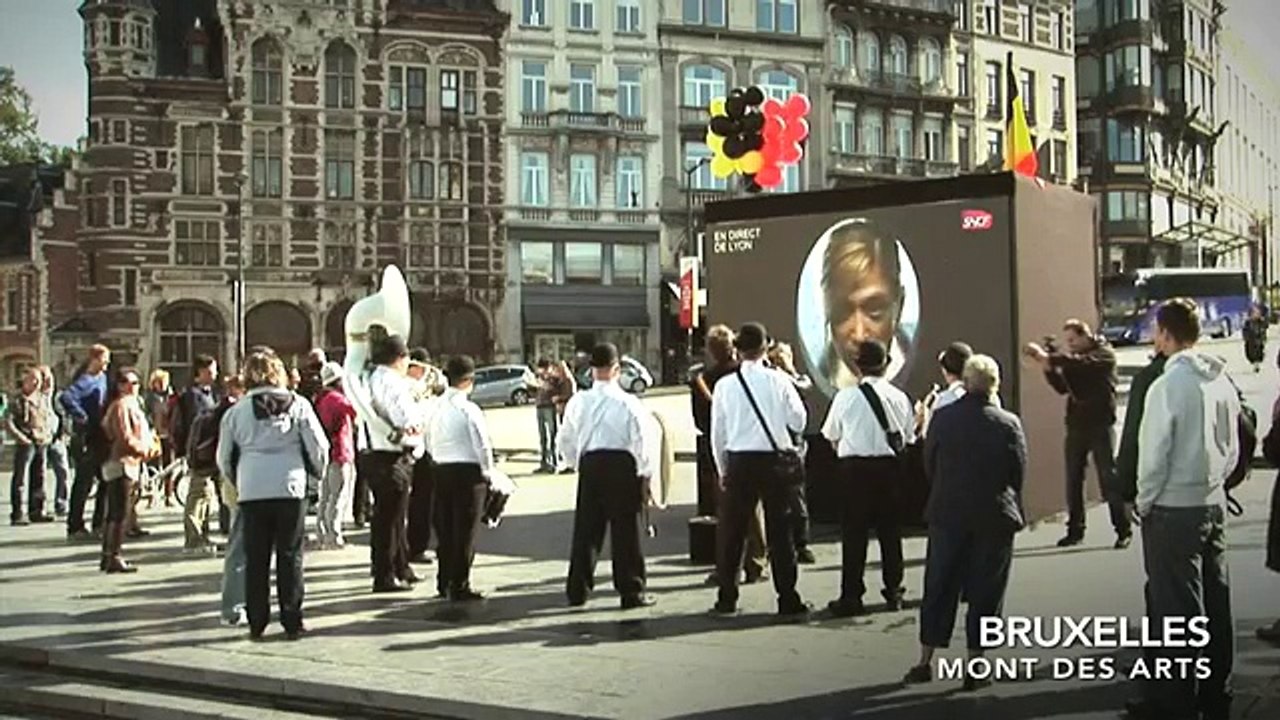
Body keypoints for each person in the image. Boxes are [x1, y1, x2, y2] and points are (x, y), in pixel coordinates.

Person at [1126, 298, 1237, 720]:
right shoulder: (1220, 379)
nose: (1154, 339)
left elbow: (1153, 453)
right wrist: (1216, 483)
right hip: (1212, 501)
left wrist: (1144, 499)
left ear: (1166, 334)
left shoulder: (1167, 386)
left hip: (1173, 507)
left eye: (1156, 331)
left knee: (1176, 611)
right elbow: (1234, 444)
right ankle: (1215, 691)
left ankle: (1175, 701)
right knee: (1216, 602)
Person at [904, 355, 1026, 690]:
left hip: (948, 512)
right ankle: (976, 665)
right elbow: (1017, 472)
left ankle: (925, 660)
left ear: (966, 382)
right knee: (987, 592)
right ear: (995, 385)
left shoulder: (942, 418)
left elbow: (929, 463)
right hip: (994, 515)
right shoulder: (1008, 423)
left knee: (939, 586)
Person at [217, 351, 328, 641]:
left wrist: (237, 477)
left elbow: (224, 456)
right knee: (290, 555)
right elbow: (318, 445)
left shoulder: (237, 411)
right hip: (290, 485)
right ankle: (292, 618)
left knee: (256, 557)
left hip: (252, 488)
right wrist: (315, 472)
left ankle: (257, 620)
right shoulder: (299, 405)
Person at [710, 322, 810, 617]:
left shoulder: (725, 386)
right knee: (780, 532)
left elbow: (719, 433)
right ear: (765, 348)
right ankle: (787, 597)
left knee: (733, 533)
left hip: (739, 461)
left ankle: (727, 598)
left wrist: (723, 468)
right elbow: (799, 421)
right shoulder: (778, 381)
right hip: (774, 462)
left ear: (737, 350)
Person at [558, 343, 659, 610]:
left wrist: (577, 463)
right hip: (621, 465)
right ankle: (631, 590)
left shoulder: (578, 401)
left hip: (591, 463)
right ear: (617, 369)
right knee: (625, 530)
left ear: (592, 370)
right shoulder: (629, 402)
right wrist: (645, 474)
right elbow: (642, 442)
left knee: (586, 530)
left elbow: (565, 438)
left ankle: (577, 589)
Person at [821, 339, 915, 616]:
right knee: (890, 534)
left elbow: (830, 435)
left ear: (857, 367)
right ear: (886, 365)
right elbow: (908, 436)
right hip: (889, 470)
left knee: (854, 535)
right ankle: (894, 591)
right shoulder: (899, 397)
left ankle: (852, 595)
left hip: (855, 470)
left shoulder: (845, 397)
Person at [1024, 320, 1132, 549]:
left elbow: (1081, 365)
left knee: (1108, 479)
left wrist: (1048, 358)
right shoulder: (1077, 359)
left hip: (1100, 424)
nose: (1070, 345)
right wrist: (1048, 368)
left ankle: (1123, 528)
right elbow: (1063, 387)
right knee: (1073, 479)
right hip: (1076, 424)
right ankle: (1075, 530)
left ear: (1086, 336)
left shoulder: (1103, 355)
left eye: (1073, 340)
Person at [693, 325, 768, 586]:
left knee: (728, 516)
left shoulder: (706, 380)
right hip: (759, 447)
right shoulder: (754, 375)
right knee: (754, 512)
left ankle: (727, 570)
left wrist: (718, 461)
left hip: (725, 452)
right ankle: (757, 562)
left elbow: (703, 422)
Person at [360, 334, 428, 594]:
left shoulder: (372, 377)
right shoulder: (392, 382)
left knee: (393, 516)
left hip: (372, 452)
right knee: (389, 518)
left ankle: (400, 567)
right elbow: (405, 418)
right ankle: (385, 575)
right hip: (390, 454)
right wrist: (418, 423)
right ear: (400, 358)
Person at [427, 355, 496, 602]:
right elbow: (482, 445)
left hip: (441, 469)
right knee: (465, 531)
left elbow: (428, 439)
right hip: (468, 473)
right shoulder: (469, 409)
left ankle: (443, 580)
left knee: (445, 529)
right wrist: (489, 473)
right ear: (469, 380)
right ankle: (460, 583)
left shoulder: (434, 406)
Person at [817, 219, 914, 390]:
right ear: (827, 309)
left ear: (899, 303)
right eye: (842, 313)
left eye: (874, 311)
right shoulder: (821, 375)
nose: (860, 335)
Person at [99, 367, 159, 573]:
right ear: (119, 385)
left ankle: (109, 555)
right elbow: (124, 436)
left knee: (116, 511)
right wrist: (146, 449)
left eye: (135, 383)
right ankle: (113, 555)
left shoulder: (133, 404)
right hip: (121, 462)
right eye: (127, 382)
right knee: (119, 512)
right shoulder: (121, 406)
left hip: (130, 462)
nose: (132, 387)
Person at [204, 375, 247, 626]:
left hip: (239, 484)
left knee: (239, 544)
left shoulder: (231, 412)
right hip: (247, 485)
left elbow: (224, 457)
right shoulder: (233, 412)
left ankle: (234, 607)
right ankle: (235, 607)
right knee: (242, 545)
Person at [62, 344, 111, 540]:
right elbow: (67, 397)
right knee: (83, 482)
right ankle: (75, 526)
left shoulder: (103, 379)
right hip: (88, 437)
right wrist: (81, 416)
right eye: (104, 359)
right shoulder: (85, 381)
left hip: (101, 436)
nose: (107, 363)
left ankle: (99, 523)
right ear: (95, 359)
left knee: (106, 481)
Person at [177, 355, 223, 552]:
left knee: (206, 495)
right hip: (200, 453)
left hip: (208, 452)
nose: (215, 374)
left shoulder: (208, 393)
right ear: (201, 372)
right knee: (197, 495)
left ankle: (203, 536)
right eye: (212, 371)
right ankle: (193, 539)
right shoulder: (193, 396)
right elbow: (197, 425)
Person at [314, 362, 357, 550]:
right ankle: (334, 534)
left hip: (326, 453)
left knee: (325, 495)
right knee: (338, 494)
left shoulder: (320, 399)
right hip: (340, 451)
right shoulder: (339, 401)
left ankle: (322, 532)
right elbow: (357, 412)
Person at [406, 348, 441, 564]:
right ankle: (416, 547)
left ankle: (419, 545)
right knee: (422, 501)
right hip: (418, 450)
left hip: (425, 449)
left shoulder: (420, 386)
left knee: (424, 501)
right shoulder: (410, 387)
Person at [8, 367, 52, 525]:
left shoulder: (41, 398)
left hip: (41, 440)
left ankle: (37, 510)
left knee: (39, 476)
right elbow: (8, 421)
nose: (36, 383)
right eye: (32, 379)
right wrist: (19, 437)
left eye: (38, 379)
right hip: (25, 441)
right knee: (21, 478)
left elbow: (46, 416)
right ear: (25, 381)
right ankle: (18, 512)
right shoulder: (17, 399)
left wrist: (48, 434)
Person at [916, 342, 976, 437]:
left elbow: (930, 436)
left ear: (944, 370)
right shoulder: (987, 398)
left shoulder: (942, 400)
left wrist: (925, 418)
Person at [39, 366, 73, 518]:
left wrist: (66, 432)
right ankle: (39, 506)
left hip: (57, 438)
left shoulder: (58, 396)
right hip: (40, 439)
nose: (47, 382)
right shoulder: (36, 397)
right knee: (40, 474)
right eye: (44, 379)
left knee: (63, 471)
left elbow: (65, 414)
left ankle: (62, 503)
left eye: (49, 379)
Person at [143, 369, 176, 505]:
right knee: (153, 466)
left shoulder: (172, 396)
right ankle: (153, 494)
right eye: (159, 382)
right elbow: (145, 414)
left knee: (169, 465)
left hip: (169, 434)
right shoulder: (149, 398)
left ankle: (169, 495)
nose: (162, 385)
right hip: (154, 435)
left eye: (164, 382)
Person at [1243, 306, 1267, 373]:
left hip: (1258, 340)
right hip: (1251, 340)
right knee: (1250, 354)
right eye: (1255, 313)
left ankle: (1256, 365)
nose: (1257, 314)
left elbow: (1264, 329)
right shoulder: (1248, 322)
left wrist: (1264, 339)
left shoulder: (1261, 322)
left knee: (1258, 354)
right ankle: (1255, 364)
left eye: (1258, 313)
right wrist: (1246, 338)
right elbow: (1245, 330)